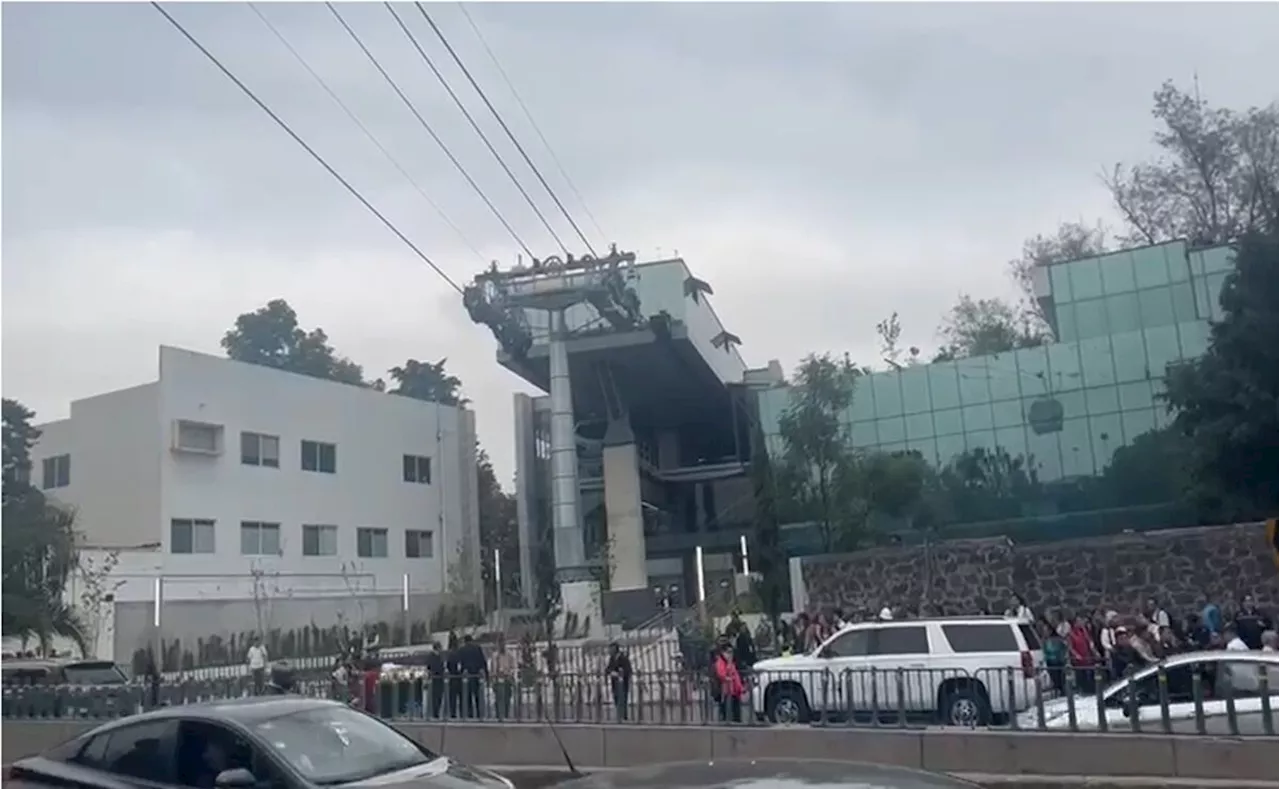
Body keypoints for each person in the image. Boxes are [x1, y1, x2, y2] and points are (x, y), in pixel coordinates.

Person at [712, 640, 745, 723]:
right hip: (726, 691)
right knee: (726, 709)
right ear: (723, 652)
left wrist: (740, 687)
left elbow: (736, 676)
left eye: (731, 652)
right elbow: (722, 674)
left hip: (734, 691)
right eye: (728, 652)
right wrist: (728, 677)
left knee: (736, 711)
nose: (730, 655)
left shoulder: (731, 662)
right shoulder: (720, 662)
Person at [458, 634, 488, 719]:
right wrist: (486, 673)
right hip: (477, 675)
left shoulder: (462, 650)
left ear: (465, 641)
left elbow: (460, 664)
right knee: (478, 696)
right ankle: (479, 714)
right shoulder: (477, 648)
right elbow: (483, 662)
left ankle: (470, 714)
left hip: (467, 676)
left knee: (468, 697)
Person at [491, 636, 517, 719]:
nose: (501, 645)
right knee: (498, 698)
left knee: (507, 698)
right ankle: (498, 715)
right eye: (500, 643)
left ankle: (506, 714)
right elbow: (492, 668)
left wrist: (509, 673)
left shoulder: (509, 655)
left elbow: (513, 667)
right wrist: (493, 677)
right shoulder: (495, 656)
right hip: (497, 679)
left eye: (503, 643)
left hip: (507, 678)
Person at [425, 642, 446, 718]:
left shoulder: (438, 656)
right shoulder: (433, 657)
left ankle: (436, 711)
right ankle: (435, 712)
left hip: (439, 678)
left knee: (438, 696)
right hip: (436, 678)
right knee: (436, 696)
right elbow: (432, 667)